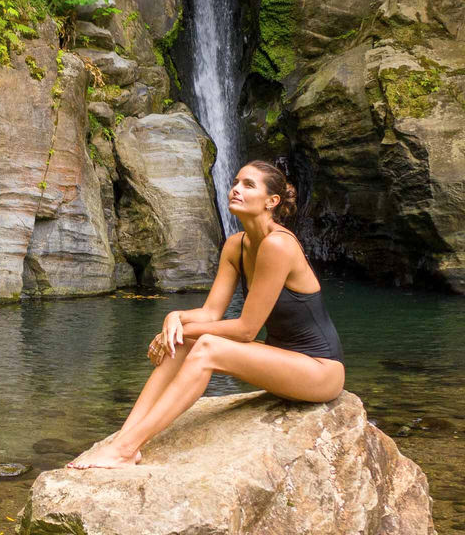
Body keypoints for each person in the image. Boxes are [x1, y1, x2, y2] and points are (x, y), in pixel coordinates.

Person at [66, 160, 344, 469]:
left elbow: (246, 331)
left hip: (320, 370)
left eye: (249, 185)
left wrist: (184, 330)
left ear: (272, 201)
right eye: (236, 182)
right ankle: (126, 439)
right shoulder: (236, 245)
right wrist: (175, 319)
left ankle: (123, 450)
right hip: (281, 360)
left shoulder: (278, 245)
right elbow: (211, 313)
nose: (235, 189)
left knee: (207, 347)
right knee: (182, 343)